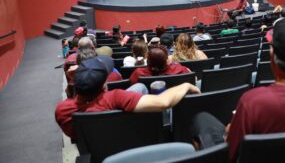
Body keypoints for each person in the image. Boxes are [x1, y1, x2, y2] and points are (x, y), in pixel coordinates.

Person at [191, 17, 285, 162]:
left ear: (272, 56)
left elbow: (231, 155)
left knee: (201, 118)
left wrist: (231, 131)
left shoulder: (253, 102)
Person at [55, 55, 200, 138]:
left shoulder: (62, 111)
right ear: (104, 85)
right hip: (131, 138)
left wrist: (73, 82)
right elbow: (162, 102)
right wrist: (186, 85)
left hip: (99, 150)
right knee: (141, 88)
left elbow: (77, 100)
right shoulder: (114, 98)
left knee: (140, 87)